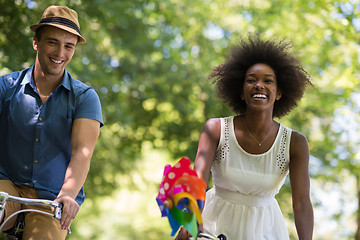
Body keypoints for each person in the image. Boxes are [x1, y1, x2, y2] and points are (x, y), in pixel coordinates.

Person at [176, 34, 314, 239]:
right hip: (215, 225)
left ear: (278, 93)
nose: (259, 85)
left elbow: (301, 202)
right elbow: (198, 181)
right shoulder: (215, 129)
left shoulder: (295, 143)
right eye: (251, 80)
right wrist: (190, 220)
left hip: (266, 231)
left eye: (268, 81)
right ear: (241, 92)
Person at [0, 5, 103, 239]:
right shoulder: (6, 87)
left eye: (69, 46)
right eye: (52, 42)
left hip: (53, 196)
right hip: (6, 184)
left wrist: (67, 195)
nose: (60, 52)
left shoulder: (84, 97)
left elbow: (82, 152)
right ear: (36, 42)